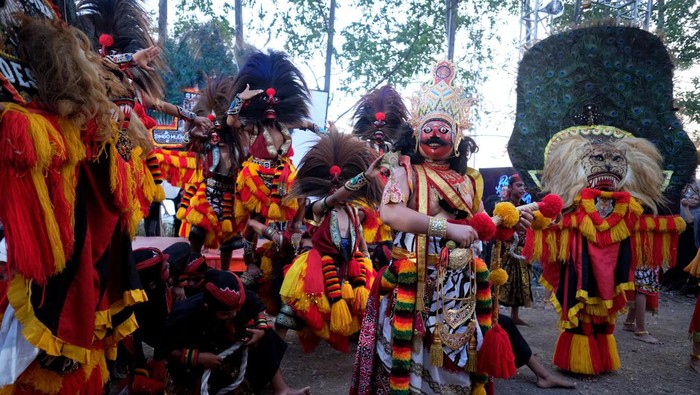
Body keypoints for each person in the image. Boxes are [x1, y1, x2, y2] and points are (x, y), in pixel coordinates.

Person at [509, 26, 693, 375]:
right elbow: (554, 222)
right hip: (580, 266)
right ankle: (575, 357)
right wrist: (529, 218)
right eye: (596, 159)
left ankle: (602, 355)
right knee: (577, 309)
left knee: (607, 313)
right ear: (578, 165)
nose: (606, 165)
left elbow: (646, 225)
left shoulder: (630, 207)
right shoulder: (572, 208)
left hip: (614, 263)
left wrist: (670, 224)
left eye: (614, 160)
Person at [350, 60, 532, 395]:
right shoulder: (405, 169)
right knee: (410, 362)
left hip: (461, 286)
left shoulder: (467, 180)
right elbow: (390, 213)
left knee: (459, 362)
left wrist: (509, 220)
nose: (435, 134)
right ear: (416, 133)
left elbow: (479, 225)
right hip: (416, 283)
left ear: (458, 136)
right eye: (429, 128)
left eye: (444, 129)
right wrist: (446, 229)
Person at [277, 129, 383, 352]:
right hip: (318, 267)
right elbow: (335, 198)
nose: (336, 185)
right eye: (332, 182)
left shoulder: (354, 213)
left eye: (341, 181)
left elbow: (361, 241)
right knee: (290, 313)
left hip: (348, 267)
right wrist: (364, 177)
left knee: (368, 305)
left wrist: (366, 261)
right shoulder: (319, 208)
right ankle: (273, 355)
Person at [155, 269, 309, 395]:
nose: (233, 315)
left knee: (267, 336)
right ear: (208, 306)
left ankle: (281, 389)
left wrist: (261, 329)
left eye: (236, 311)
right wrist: (198, 358)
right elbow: (164, 350)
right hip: (197, 358)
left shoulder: (238, 299)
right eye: (226, 313)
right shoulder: (185, 313)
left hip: (226, 351)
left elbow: (258, 309)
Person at [226, 50, 312, 268]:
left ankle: (296, 227)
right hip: (256, 176)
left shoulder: (285, 126)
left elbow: (306, 124)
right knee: (256, 218)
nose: (272, 103)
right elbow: (231, 122)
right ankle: (250, 262)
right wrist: (239, 99)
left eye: (276, 99)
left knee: (303, 194)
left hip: (283, 174)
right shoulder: (253, 127)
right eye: (266, 99)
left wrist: (325, 131)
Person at [494, 174, 533, 325]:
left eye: (523, 186)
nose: (522, 189)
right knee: (499, 282)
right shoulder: (502, 206)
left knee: (519, 282)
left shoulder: (526, 206)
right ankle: (494, 313)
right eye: (519, 185)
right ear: (510, 188)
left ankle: (514, 316)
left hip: (520, 249)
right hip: (503, 250)